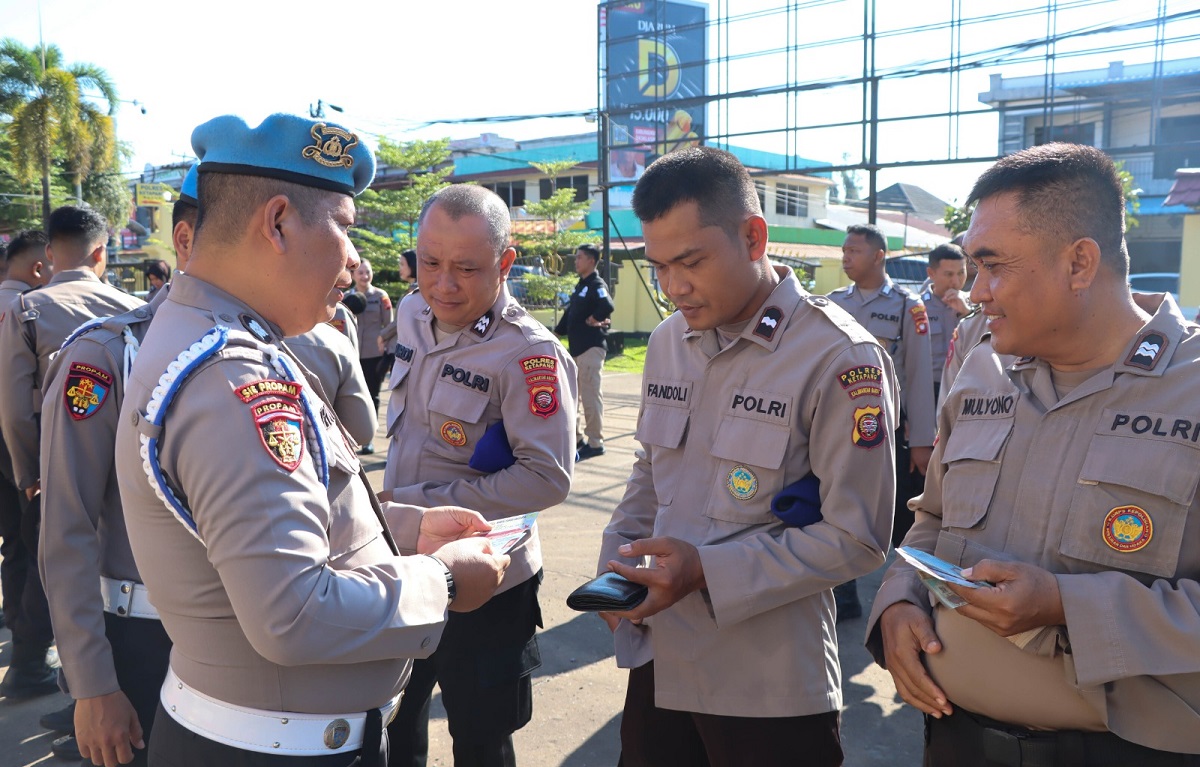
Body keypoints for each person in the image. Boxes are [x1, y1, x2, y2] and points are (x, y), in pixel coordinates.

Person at [113, 113, 510, 767]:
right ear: (277, 223)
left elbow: (261, 523)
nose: (356, 259)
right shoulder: (234, 375)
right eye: (347, 228)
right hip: (274, 750)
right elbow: (292, 612)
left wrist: (402, 530)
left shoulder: (223, 335)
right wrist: (440, 578)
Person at [869, 142, 1200, 763]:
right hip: (956, 740)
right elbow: (932, 523)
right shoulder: (981, 370)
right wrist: (897, 601)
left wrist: (1067, 606)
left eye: (993, 266)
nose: (976, 292)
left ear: (1079, 263)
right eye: (971, 266)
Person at [596, 146, 896, 767]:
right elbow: (651, 471)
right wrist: (617, 557)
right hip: (662, 663)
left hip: (770, 686)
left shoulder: (839, 357)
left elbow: (859, 538)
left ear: (754, 236)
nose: (675, 287)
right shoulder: (668, 340)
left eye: (691, 262)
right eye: (659, 268)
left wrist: (705, 569)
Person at [382, 184, 577, 767]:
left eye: (466, 268)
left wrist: (415, 502)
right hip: (403, 563)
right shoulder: (414, 312)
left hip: (488, 583)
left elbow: (546, 478)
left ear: (505, 263)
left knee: (481, 736)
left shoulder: (528, 354)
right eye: (429, 263)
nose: (443, 284)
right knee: (394, 719)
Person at [38, 163, 200, 766]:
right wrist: (92, 683)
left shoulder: (279, 353)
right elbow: (67, 527)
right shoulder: (107, 353)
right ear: (185, 242)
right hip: (143, 638)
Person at [0, 207, 145, 701]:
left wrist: (27, 472)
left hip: (50, 458)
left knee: (51, 559)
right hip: (119, 464)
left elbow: (17, 407)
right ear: (102, 252)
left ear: (49, 254)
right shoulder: (130, 306)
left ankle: (52, 676)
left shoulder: (29, 308)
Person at [827, 223, 936, 620]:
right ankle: (845, 592)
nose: (846, 257)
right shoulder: (832, 302)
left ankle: (903, 596)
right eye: (844, 250)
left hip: (890, 427)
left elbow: (920, 375)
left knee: (900, 514)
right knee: (838, 502)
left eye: (854, 250)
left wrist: (923, 439)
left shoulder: (909, 307)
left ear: (878, 256)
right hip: (837, 424)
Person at [0, 230, 53, 699]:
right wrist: (32, 472)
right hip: (19, 444)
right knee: (38, 547)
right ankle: (29, 658)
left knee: (14, 545)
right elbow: (19, 407)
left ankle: (17, 628)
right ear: (39, 267)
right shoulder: (30, 311)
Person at [554, 243, 614, 460]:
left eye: (580, 257)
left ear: (591, 260)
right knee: (572, 397)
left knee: (589, 396)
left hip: (591, 348)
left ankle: (596, 443)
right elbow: (570, 312)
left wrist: (595, 318)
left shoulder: (596, 283)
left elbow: (607, 305)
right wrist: (557, 333)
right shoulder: (581, 286)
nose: (576, 261)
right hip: (577, 349)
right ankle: (578, 440)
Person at [348, 258, 392, 454]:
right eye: (361, 273)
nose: (365, 276)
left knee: (372, 395)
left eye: (368, 272)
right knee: (351, 396)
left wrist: (386, 347)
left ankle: (369, 439)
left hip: (375, 355)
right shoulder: (346, 297)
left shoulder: (381, 296)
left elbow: (390, 326)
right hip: (352, 354)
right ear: (353, 275)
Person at [921, 242, 971, 402]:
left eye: (961, 273)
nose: (956, 281)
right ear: (931, 273)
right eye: (949, 274)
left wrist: (966, 313)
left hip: (966, 384)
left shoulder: (975, 305)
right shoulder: (918, 307)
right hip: (929, 388)